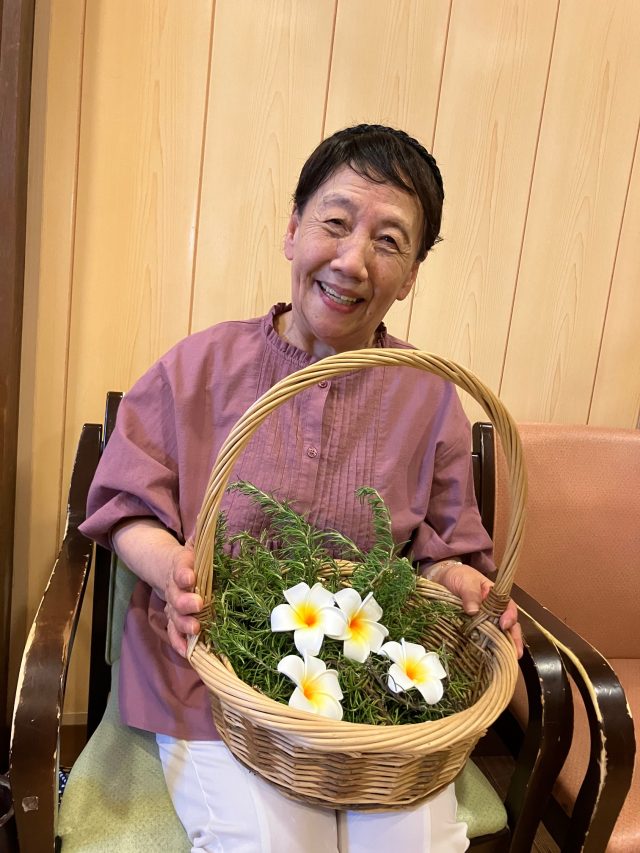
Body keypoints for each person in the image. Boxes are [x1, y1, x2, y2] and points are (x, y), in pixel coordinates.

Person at [80, 124, 523, 853]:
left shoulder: (427, 394)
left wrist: (462, 583)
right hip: (215, 676)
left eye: (389, 241)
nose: (353, 260)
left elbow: (441, 552)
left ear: (412, 275)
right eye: (336, 222)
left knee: (416, 845)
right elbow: (126, 506)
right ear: (293, 230)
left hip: (368, 679)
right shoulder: (200, 366)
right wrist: (172, 567)